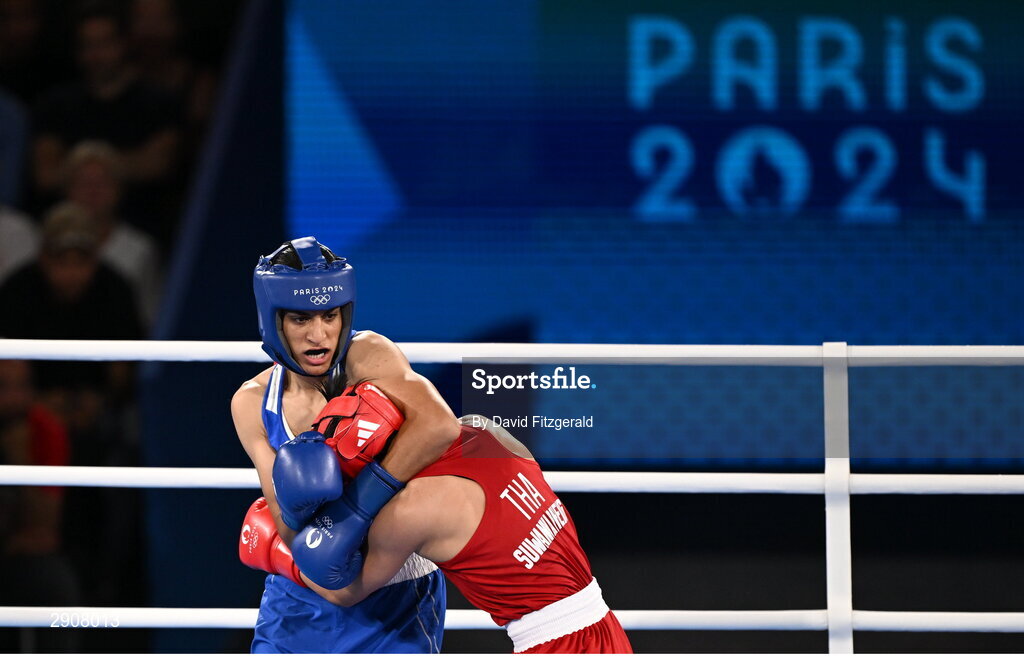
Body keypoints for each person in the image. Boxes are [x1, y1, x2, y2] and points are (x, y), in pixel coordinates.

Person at [242, 388, 632, 654]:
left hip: (553, 643)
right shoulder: (485, 430)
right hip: (603, 622)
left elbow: (344, 590)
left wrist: (278, 549)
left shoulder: (412, 509)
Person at [231, 236, 459, 653]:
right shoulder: (252, 403)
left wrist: (356, 508)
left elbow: (440, 425)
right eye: (301, 319)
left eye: (330, 316)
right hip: (296, 604)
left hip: (396, 601)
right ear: (273, 320)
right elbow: (287, 521)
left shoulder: (369, 356)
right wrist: (304, 553)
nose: (319, 335)